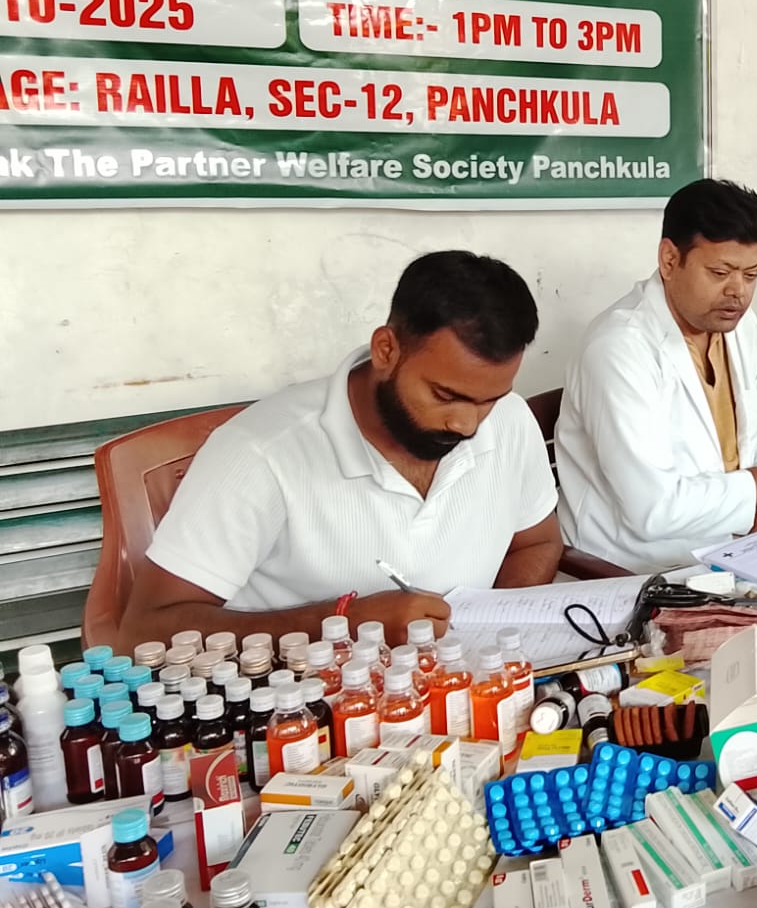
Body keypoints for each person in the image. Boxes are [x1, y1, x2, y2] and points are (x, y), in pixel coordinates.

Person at [116, 251, 563, 654]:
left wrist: (486, 636)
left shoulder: (509, 420)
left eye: (488, 401)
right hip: (300, 703)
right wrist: (342, 624)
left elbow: (537, 543)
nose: (467, 425)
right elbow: (143, 630)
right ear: (386, 350)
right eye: (445, 396)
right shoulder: (261, 452)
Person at [556, 179, 757, 572]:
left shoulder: (739, 326)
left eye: (751, 275)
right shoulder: (617, 347)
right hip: (637, 569)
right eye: (720, 272)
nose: (738, 292)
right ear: (669, 260)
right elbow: (653, 508)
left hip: (742, 548)